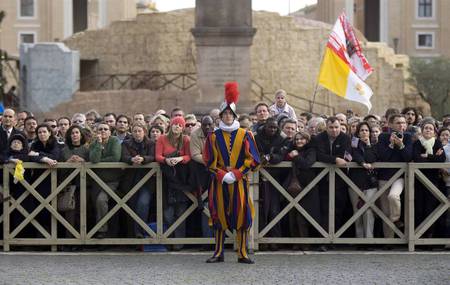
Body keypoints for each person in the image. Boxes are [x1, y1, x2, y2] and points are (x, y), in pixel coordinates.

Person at [204, 82, 260, 264]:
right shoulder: (213, 136)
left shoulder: (246, 134)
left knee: (242, 216)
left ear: (235, 115)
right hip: (219, 182)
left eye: (230, 113)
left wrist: (236, 173)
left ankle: (242, 253)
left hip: (239, 182)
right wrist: (221, 174)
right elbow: (208, 160)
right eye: (225, 113)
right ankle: (218, 252)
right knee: (219, 216)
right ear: (220, 115)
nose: (228, 116)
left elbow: (253, 159)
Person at [155, 116, 192, 250]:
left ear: (183, 128)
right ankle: (168, 240)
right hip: (166, 179)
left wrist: (180, 158)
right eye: (175, 124)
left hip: (181, 180)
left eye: (180, 125)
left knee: (181, 213)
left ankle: (179, 243)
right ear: (171, 125)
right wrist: (166, 160)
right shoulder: (162, 138)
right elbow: (157, 156)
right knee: (168, 213)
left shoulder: (186, 139)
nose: (177, 127)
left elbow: (189, 156)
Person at [377, 114, 413, 238]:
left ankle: (396, 219)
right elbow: (383, 157)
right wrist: (392, 145)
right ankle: (389, 240)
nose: (401, 125)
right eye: (398, 123)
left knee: (393, 196)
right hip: (384, 176)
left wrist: (401, 145)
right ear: (391, 125)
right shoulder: (383, 137)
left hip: (400, 176)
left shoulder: (408, 137)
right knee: (386, 211)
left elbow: (408, 157)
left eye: (403, 123)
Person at [314, 117, 351, 233]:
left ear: (340, 127)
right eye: (331, 127)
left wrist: (335, 159)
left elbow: (345, 156)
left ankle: (336, 238)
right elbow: (319, 155)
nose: (334, 130)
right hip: (322, 179)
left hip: (341, 179)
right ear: (326, 127)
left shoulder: (345, 138)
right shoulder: (319, 138)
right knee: (324, 209)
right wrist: (335, 159)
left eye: (336, 127)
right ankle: (325, 239)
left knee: (338, 208)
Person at [255, 117, 285, 249]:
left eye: (275, 127)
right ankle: (260, 240)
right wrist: (261, 156)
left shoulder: (281, 138)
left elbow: (281, 156)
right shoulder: (257, 137)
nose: (272, 129)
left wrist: (270, 157)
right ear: (265, 126)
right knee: (260, 210)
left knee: (274, 210)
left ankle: (275, 241)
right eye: (270, 127)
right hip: (258, 178)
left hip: (275, 178)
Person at [121, 123, 155, 238]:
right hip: (131, 179)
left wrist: (143, 159)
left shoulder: (151, 143)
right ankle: (134, 234)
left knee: (143, 204)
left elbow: (153, 156)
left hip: (147, 180)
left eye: (139, 131)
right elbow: (123, 157)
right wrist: (131, 159)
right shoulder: (126, 143)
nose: (137, 133)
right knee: (133, 206)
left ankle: (141, 231)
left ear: (144, 131)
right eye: (134, 131)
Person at [287, 131, 320, 249]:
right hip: (294, 186)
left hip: (308, 186)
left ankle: (305, 242)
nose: (299, 141)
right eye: (297, 139)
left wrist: (296, 156)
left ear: (307, 140)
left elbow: (307, 164)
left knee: (304, 215)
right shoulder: (291, 150)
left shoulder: (311, 151)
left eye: (302, 139)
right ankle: (296, 242)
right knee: (293, 215)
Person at [89, 122, 122, 238]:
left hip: (112, 181)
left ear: (110, 131)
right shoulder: (94, 144)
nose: (103, 131)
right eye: (100, 129)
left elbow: (115, 158)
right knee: (93, 204)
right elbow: (93, 159)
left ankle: (102, 231)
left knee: (101, 200)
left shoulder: (114, 141)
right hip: (97, 181)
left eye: (105, 129)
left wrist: (100, 161)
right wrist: (98, 144)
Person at [413, 120, 445, 238]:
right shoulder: (417, 143)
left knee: (430, 208)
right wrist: (433, 157)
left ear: (434, 132)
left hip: (433, 180)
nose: (428, 130)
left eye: (430, 128)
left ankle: (429, 236)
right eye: (426, 128)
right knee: (419, 209)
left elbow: (441, 159)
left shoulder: (437, 143)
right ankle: (418, 237)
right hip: (418, 180)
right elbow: (416, 158)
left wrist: (427, 156)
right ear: (422, 130)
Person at [60, 125, 90, 245]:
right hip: (70, 185)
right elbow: (60, 170)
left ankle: (82, 241)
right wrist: (68, 163)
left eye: (77, 132)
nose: (75, 135)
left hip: (85, 185)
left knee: (83, 212)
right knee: (70, 212)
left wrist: (83, 162)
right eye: (72, 133)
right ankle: (70, 240)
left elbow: (92, 165)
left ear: (81, 135)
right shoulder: (64, 150)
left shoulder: (87, 150)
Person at [349, 122, 378, 238]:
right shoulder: (353, 144)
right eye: (362, 130)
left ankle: (369, 239)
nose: (364, 132)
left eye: (366, 130)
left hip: (371, 182)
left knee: (369, 211)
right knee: (357, 211)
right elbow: (355, 156)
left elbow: (372, 158)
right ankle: (359, 239)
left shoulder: (375, 145)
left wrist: (368, 145)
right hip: (355, 181)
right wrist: (362, 163)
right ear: (358, 132)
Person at [189, 115, 215, 242]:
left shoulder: (219, 133)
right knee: (205, 205)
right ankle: (208, 240)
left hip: (218, 173)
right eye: (205, 125)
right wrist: (211, 161)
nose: (208, 127)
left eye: (210, 124)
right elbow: (194, 155)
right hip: (201, 173)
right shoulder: (195, 134)